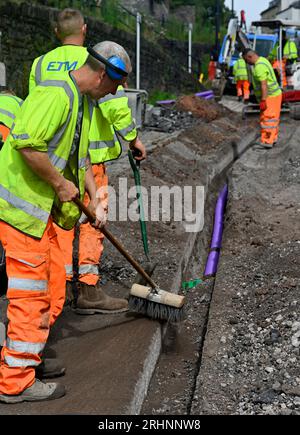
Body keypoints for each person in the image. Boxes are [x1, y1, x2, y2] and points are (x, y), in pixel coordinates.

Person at [0, 40, 131, 403]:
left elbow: (84, 159)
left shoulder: (84, 103)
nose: (118, 91)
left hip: (39, 215)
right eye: (117, 83)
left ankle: (26, 361)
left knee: (43, 291)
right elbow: (26, 144)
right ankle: (15, 383)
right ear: (103, 73)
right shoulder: (56, 94)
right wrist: (59, 183)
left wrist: (94, 199)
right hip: (21, 213)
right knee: (29, 297)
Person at [30, 8, 146, 313]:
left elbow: (35, 111)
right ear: (84, 29)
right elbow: (115, 105)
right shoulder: (94, 62)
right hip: (88, 157)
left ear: (56, 33)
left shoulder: (40, 64)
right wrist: (132, 138)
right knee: (95, 219)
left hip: (53, 158)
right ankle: (88, 288)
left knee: (61, 221)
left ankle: (61, 284)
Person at [243, 48, 282, 149]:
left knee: (267, 119)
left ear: (249, 57)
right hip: (275, 94)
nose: (247, 62)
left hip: (270, 96)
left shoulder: (259, 67)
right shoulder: (263, 60)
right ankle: (273, 138)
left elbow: (264, 85)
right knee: (273, 118)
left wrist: (263, 100)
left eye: (246, 60)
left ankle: (267, 141)